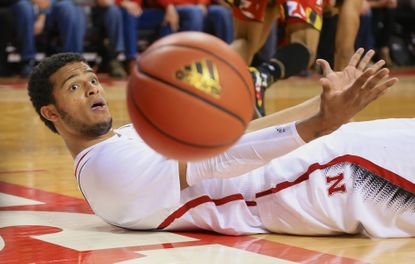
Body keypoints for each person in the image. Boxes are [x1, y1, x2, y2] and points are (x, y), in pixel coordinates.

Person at [28, 49, 415, 238]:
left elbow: (239, 134)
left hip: (315, 158)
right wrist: (316, 126)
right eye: (75, 86)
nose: (92, 88)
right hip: (317, 182)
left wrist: (322, 107)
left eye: (92, 79)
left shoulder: (124, 137)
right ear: (52, 114)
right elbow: (218, 161)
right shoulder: (106, 172)